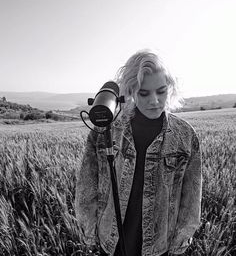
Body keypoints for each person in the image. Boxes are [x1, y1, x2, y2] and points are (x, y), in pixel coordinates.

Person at [75, 49, 202, 256]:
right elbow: (87, 187)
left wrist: (180, 243)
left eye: (161, 91)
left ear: (170, 88)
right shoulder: (107, 130)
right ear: (131, 91)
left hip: (159, 245)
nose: (154, 100)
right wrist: (91, 234)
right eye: (144, 93)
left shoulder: (186, 136)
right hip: (112, 241)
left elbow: (191, 198)